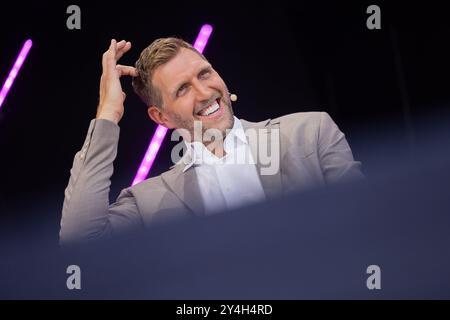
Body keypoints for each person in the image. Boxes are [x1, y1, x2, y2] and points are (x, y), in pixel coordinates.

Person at [59, 37, 364, 245]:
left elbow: (366, 221)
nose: (205, 92)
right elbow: (79, 242)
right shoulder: (146, 202)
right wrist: (108, 112)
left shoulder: (310, 132)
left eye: (205, 74)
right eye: (183, 89)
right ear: (160, 118)